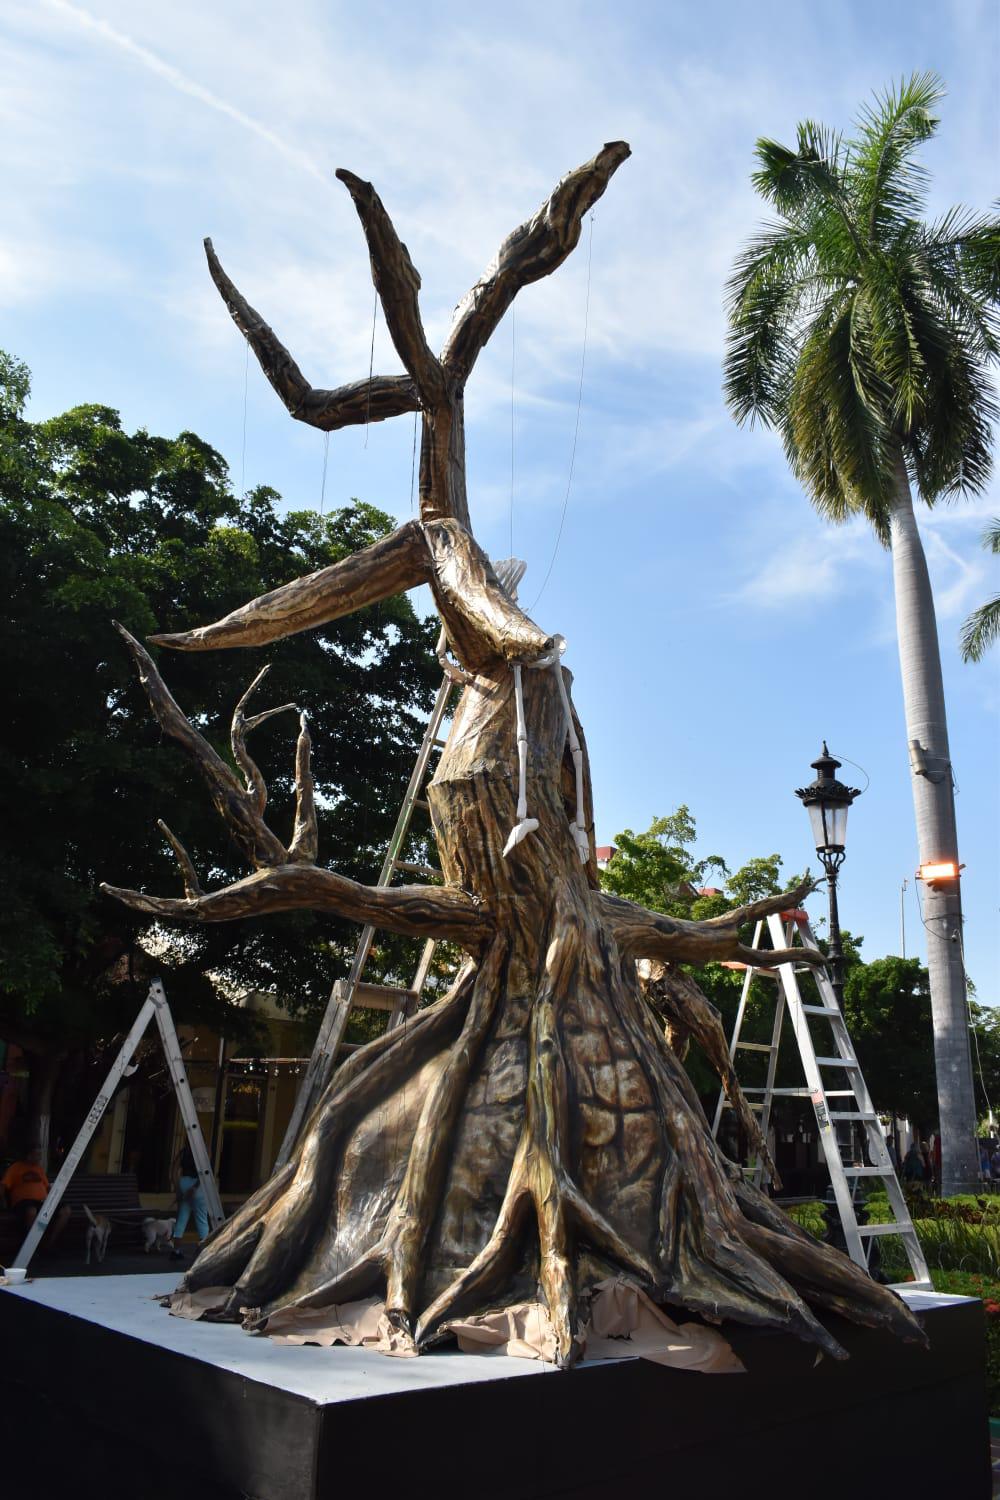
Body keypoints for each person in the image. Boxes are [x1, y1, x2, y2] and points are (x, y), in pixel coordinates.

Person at [0, 1145, 71, 1251]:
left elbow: (47, 1187)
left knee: (66, 1210)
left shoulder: (39, 1169)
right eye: (37, 1155)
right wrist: (3, 1201)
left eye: (40, 1155)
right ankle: (32, 1246)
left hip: (42, 1202)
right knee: (32, 1211)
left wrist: (54, 1191)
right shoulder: (16, 1167)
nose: (40, 1157)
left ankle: (49, 1243)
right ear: (29, 1155)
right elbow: (3, 1185)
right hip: (23, 1202)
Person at [171, 1144, 209, 1261]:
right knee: (202, 1219)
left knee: (181, 1218)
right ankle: (204, 1252)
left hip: (183, 1182)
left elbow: (174, 1169)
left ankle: (176, 1251)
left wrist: (177, 1187)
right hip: (198, 1186)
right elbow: (205, 1171)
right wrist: (195, 1187)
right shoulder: (203, 1151)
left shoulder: (183, 1152)